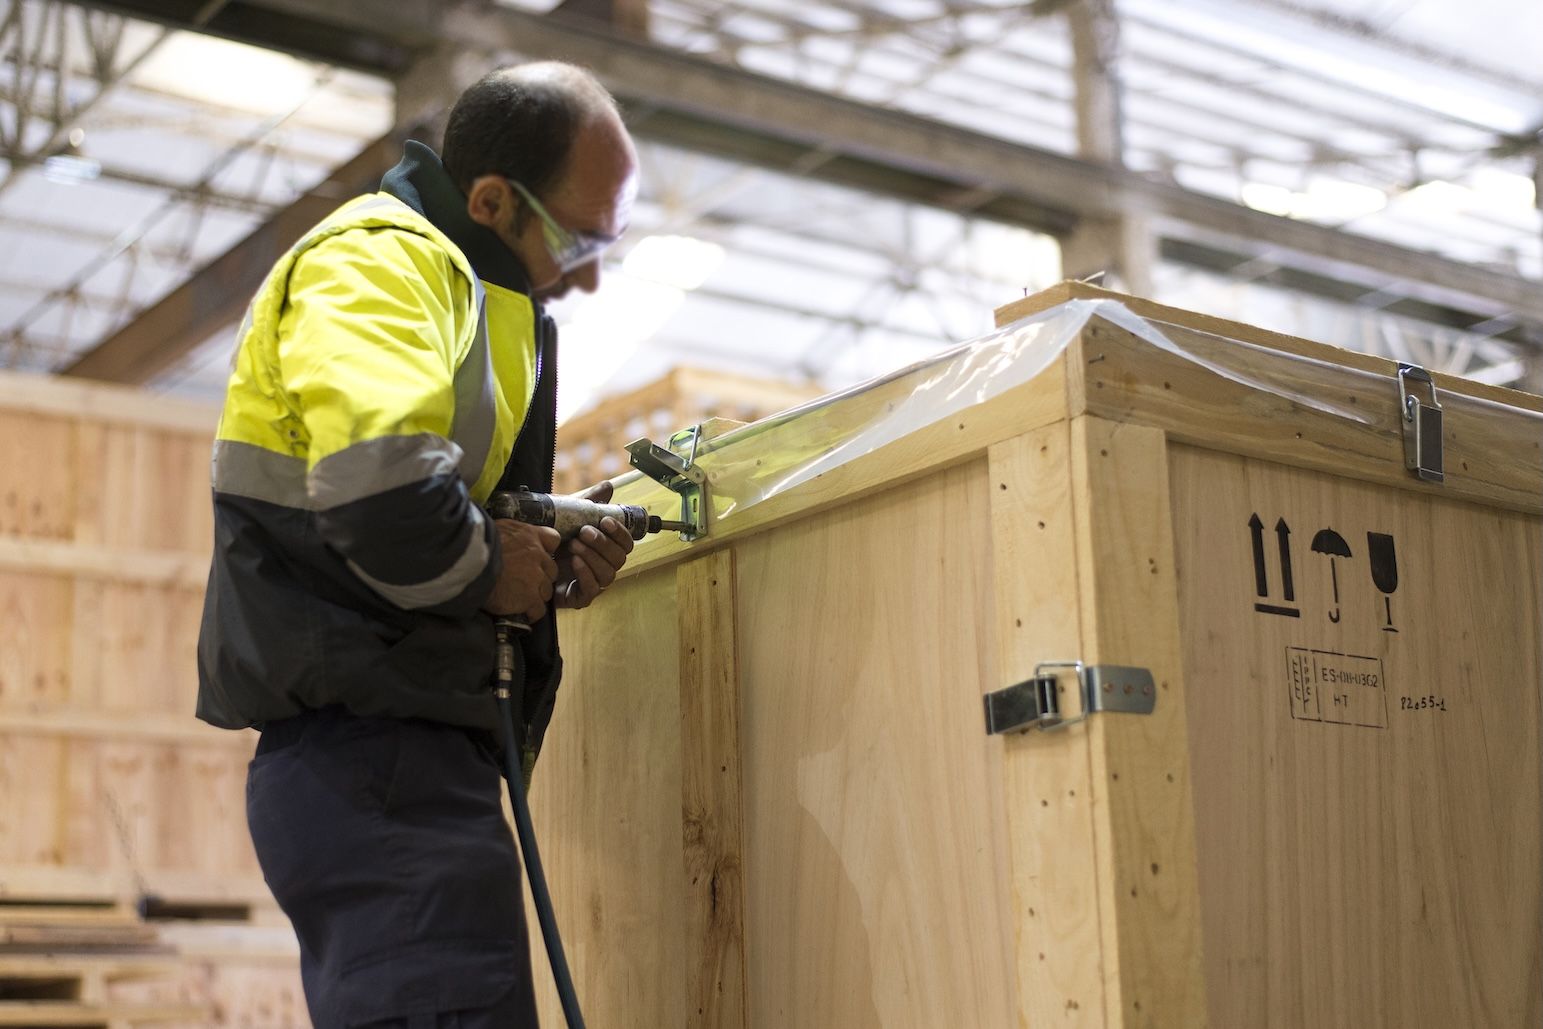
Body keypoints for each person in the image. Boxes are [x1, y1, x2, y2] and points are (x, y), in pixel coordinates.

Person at [195, 62, 639, 1028]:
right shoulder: (382, 265)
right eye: (579, 239)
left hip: (399, 757)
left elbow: (430, 504)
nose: (590, 275)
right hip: (374, 757)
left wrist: (542, 564)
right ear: (491, 201)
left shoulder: (471, 297)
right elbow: (381, 489)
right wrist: (493, 567)